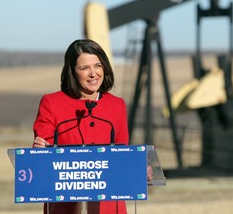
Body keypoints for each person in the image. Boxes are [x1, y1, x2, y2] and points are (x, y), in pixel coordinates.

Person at [32, 39, 152, 214]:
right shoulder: (51, 103)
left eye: (97, 66)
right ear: (72, 71)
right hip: (65, 205)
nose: (93, 73)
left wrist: (137, 168)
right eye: (84, 68)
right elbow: (46, 157)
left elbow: (122, 152)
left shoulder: (116, 105)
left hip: (110, 206)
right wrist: (40, 152)